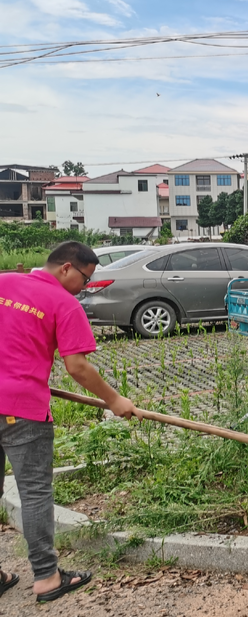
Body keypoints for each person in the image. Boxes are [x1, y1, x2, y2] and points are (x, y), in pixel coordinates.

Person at [0, 242, 138, 603]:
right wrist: (115, 400)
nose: (85, 287)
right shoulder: (64, 304)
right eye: (85, 279)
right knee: (34, 493)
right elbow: (77, 367)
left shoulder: (3, 283)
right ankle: (46, 577)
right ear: (66, 268)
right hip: (21, 409)